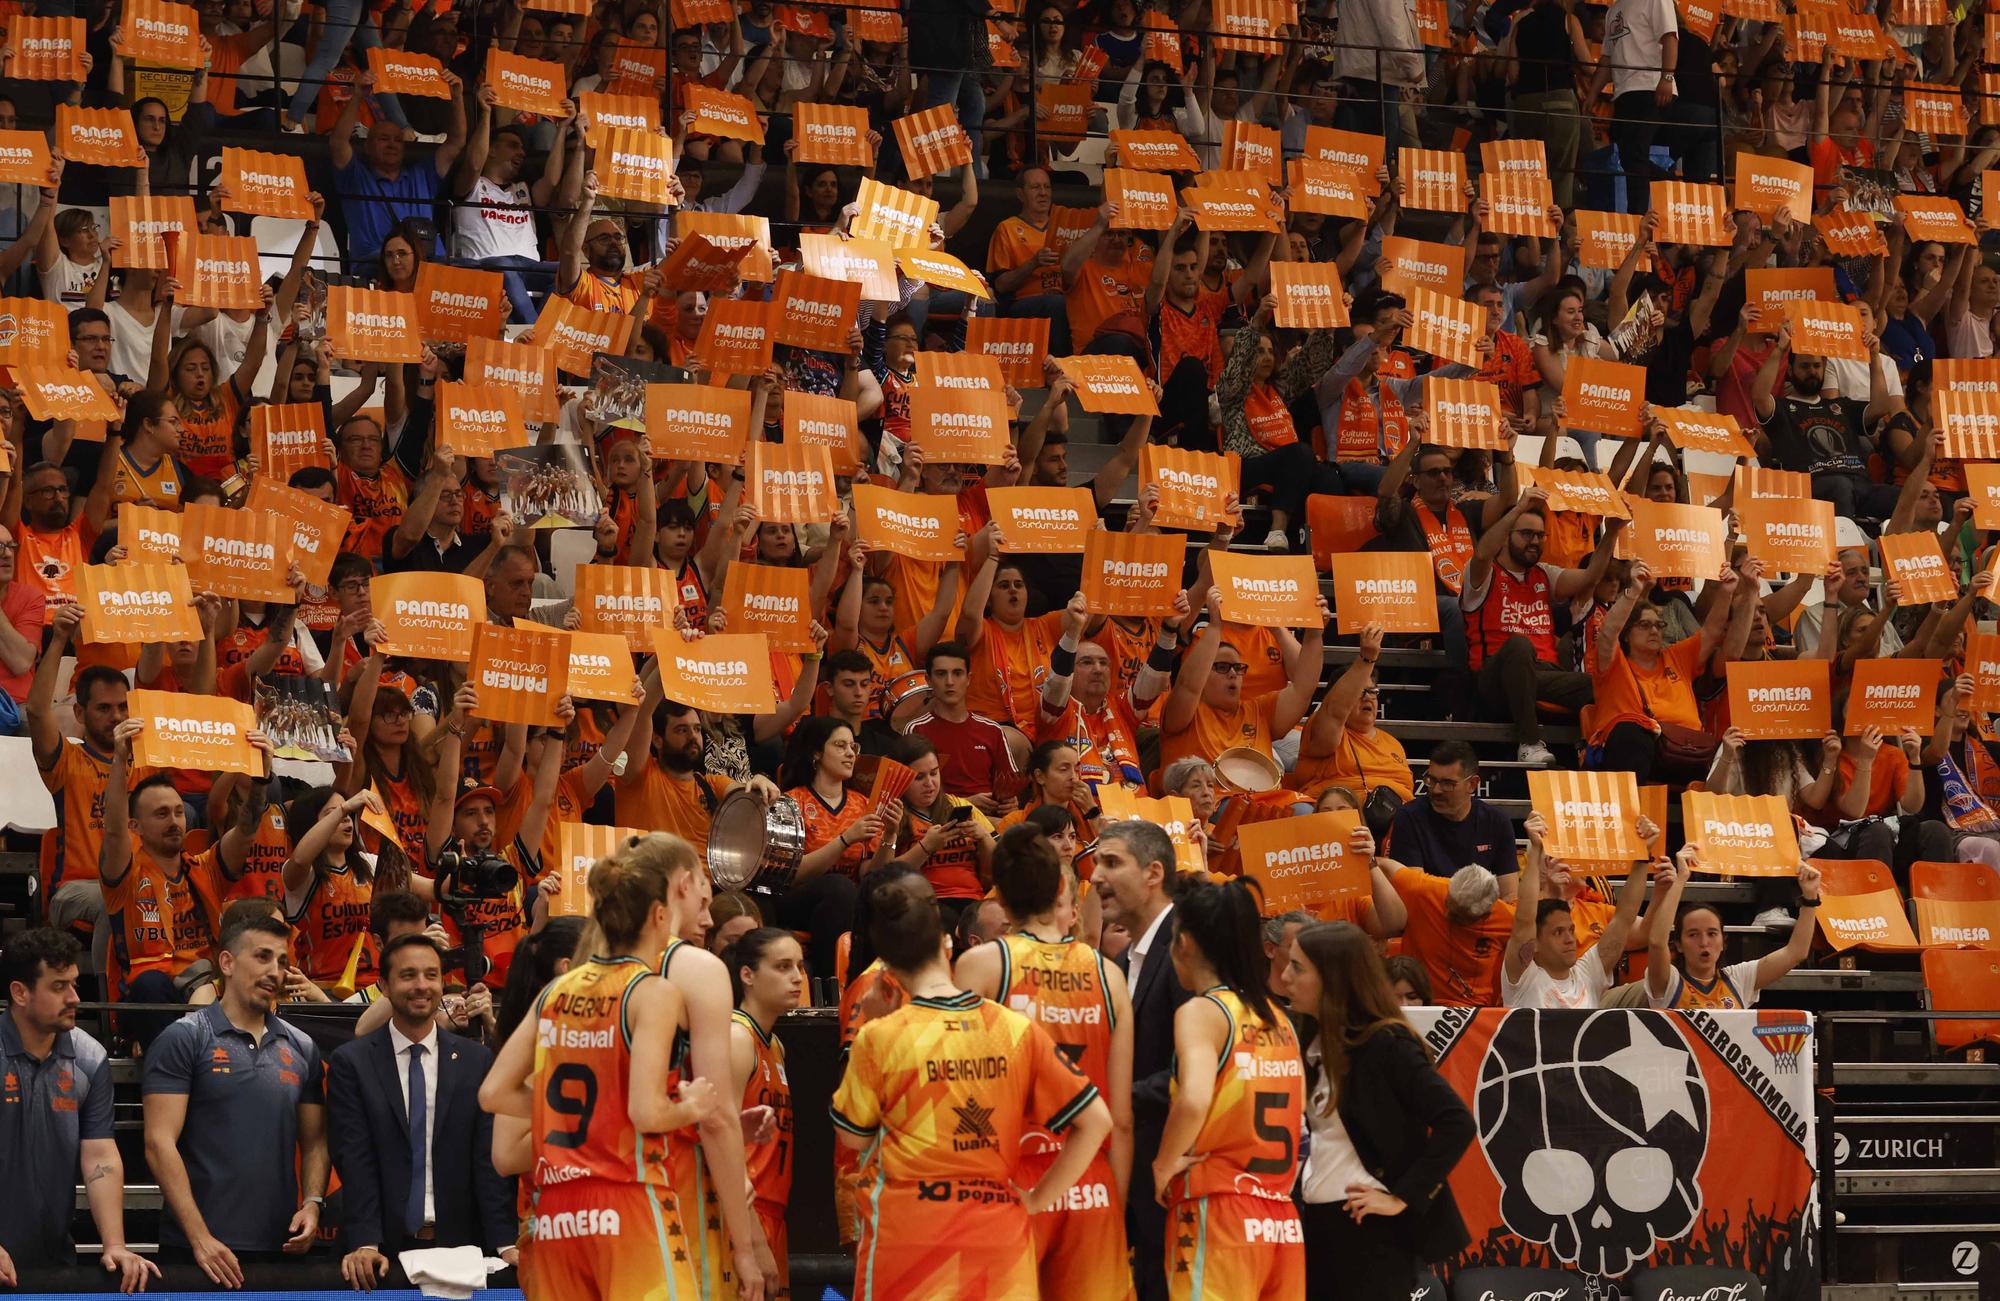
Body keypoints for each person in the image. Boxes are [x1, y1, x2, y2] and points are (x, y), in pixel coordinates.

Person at [830, 864, 1113, 1300]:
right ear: (948, 944)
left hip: (908, 1241)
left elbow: (850, 1138)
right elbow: (1096, 1121)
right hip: (998, 1240)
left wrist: (875, 1021)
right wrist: (1036, 1199)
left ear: (885, 957)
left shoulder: (880, 1036)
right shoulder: (1013, 1028)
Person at [478, 834, 721, 1301]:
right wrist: (689, 1106)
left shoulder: (555, 991)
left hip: (554, 1217)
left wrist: (565, 1111)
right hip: (626, 1201)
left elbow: (492, 1094)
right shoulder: (652, 991)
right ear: (657, 916)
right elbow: (648, 1113)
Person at [956, 826, 1137, 1300]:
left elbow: (961, 1092)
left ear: (1001, 897)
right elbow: (1119, 1117)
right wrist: (1112, 1204)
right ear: (1062, 891)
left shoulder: (983, 965)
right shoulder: (1109, 975)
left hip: (1010, 1179)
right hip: (1090, 1179)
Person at [1286, 921, 1473, 1299]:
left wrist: (1401, 1197)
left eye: (1298, 967)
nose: (1285, 976)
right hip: (1316, 1225)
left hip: (1368, 1233)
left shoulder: (1385, 1043)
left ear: (1331, 978)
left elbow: (1457, 1121)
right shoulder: (1307, 1038)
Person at [141, 912, 329, 1287]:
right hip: (195, 1253)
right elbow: (158, 1143)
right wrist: (200, 1238)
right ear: (226, 962)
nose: (275, 971)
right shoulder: (185, 1038)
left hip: (279, 1247)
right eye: (262, 957)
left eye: (282, 961)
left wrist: (312, 1202)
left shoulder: (302, 1046)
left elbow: (315, 1142)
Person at [328, 933, 515, 1290]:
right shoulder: (351, 1063)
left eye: (431, 975)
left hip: (463, 1250)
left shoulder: (476, 1061)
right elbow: (354, 1158)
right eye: (408, 975)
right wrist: (365, 1242)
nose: (421, 986)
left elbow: (487, 1160)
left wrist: (505, 1243)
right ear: (383, 984)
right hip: (381, 1255)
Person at [1153, 879, 1306, 1300]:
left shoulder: (1203, 1011)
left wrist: (1162, 1166)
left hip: (1219, 1211)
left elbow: (1196, 1098)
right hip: (1281, 1219)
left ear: (1183, 942)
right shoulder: (1279, 1018)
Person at [0, 928, 157, 1293]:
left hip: (52, 1258)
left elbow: (99, 1154)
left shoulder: (89, 1058)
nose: (74, 997)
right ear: (20, 993)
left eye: (73, 983)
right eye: (58, 987)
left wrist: (114, 1243)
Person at [1093, 818, 1189, 1301]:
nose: (1094, 877)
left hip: (1175, 1186)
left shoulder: (1184, 949)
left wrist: (1111, 1099)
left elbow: (1201, 1070)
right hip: (1140, 1186)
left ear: (1154, 873)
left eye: (1111, 863)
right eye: (1094, 865)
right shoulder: (1129, 957)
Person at [1462, 486, 1619, 764]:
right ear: (1507, 535)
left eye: (1539, 535)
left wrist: (1613, 532)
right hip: (1494, 676)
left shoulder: (1544, 574)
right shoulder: (1483, 575)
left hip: (1543, 675)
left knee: (1607, 685)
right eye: (1526, 534)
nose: (1534, 541)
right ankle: (1530, 742)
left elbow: (1591, 577)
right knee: (1520, 646)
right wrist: (1519, 507)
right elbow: (1483, 553)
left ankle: (1595, 750)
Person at [1502, 814, 1650, 1009]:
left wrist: (1643, 856)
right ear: (1534, 944)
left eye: (1571, 930)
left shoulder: (1589, 975)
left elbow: (1624, 917)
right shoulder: (1522, 978)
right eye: (1558, 932)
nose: (1571, 939)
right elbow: (1524, 919)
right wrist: (1537, 849)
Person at [728, 928, 804, 1301]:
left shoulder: (775, 1045)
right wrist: (753, 1241)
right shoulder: (737, 1039)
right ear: (748, 975)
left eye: (800, 967)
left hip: (773, 1213)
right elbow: (719, 1143)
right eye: (783, 966)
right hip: (741, 1215)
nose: (797, 977)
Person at [1647, 848, 1823, 1009]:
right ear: (1678, 944)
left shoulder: (1739, 979)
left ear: (1723, 941)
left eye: (1712, 933)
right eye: (1693, 934)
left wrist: (1810, 898)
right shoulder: (1668, 982)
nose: (1704, 942)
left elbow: (1796, 952)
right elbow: (1656, 942)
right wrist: (1681, 879)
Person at [1384, 742, 1520, 886]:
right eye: (1432, 780)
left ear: (1472, 784)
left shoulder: (1497, 821)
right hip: (1428, 907)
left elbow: (1510, 896)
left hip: (1482, 907)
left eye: (1447, 783)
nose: (1436, 790)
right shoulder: (1409, 817)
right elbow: (1414, 891)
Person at [1389, 863, 1516, 1008]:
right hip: (1423, 1005)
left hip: (1474, 1012)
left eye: (1458, 915)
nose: (1447, 913)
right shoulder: (1426, 889)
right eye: (1448, 903)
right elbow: (1383, 864)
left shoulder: (1508, 918)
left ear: (1485, 915)